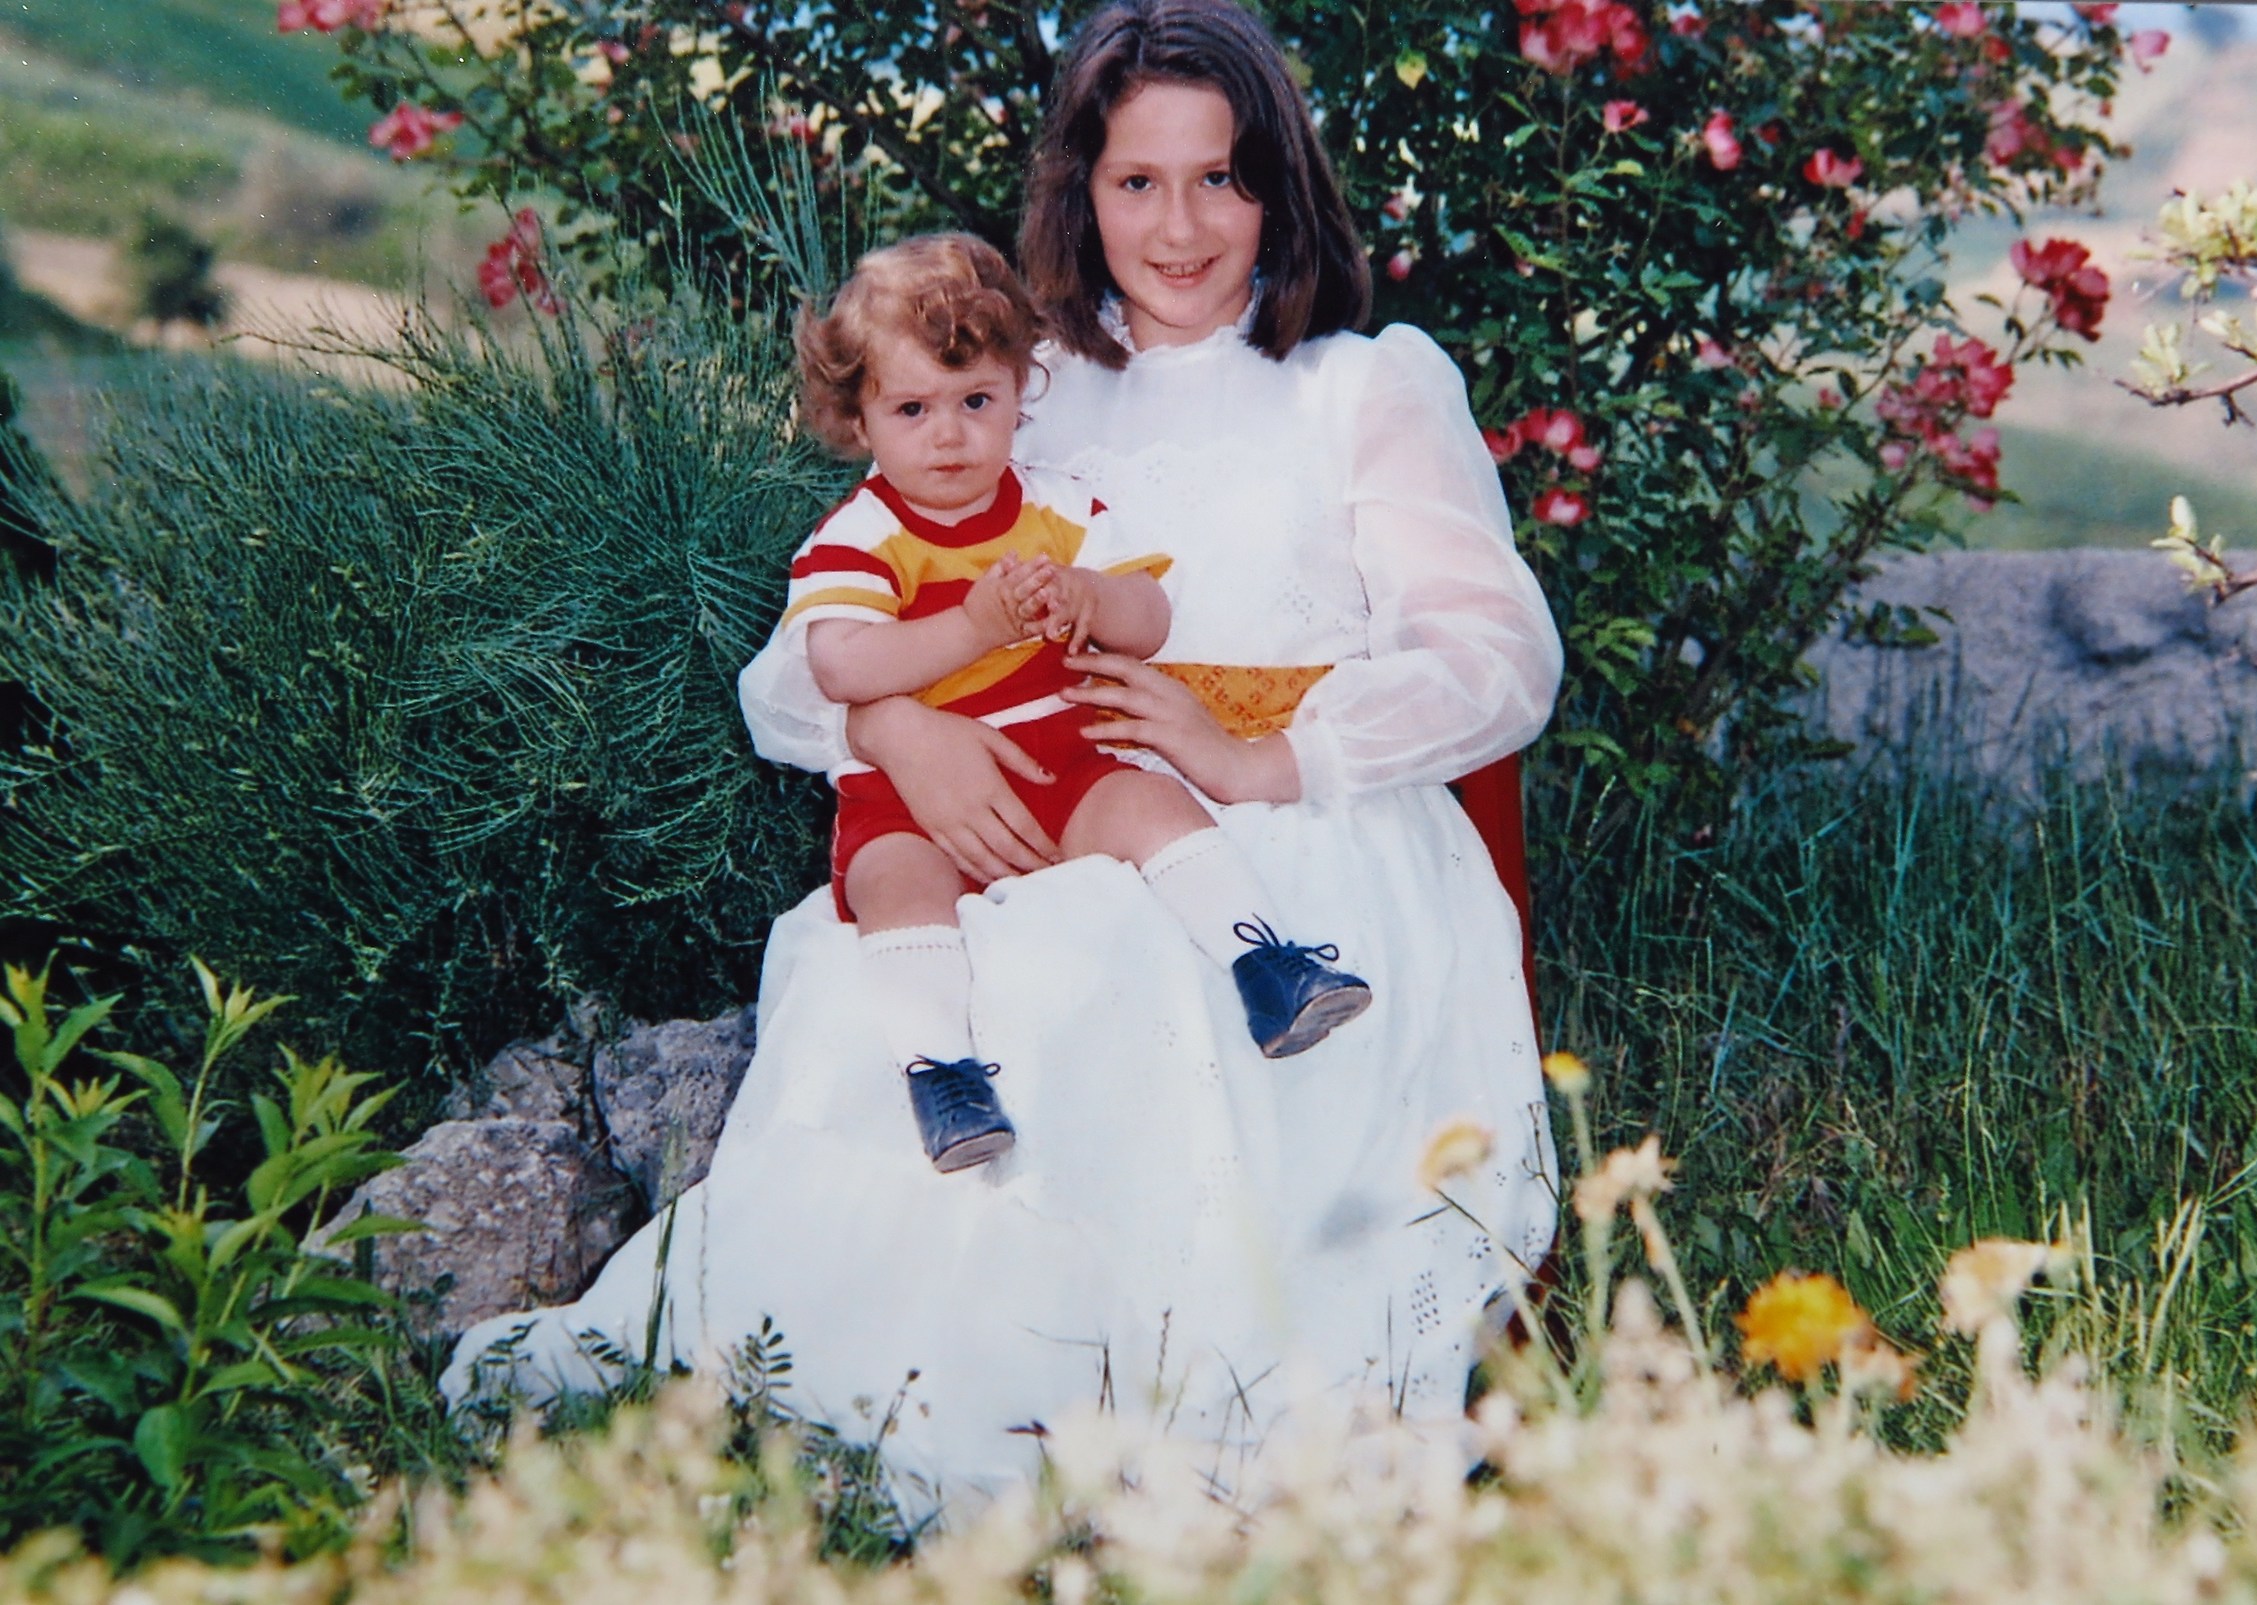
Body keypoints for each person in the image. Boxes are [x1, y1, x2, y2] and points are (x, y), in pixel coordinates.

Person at [444, 0, 1562, 1521]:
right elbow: (806, 651)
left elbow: (1502, 662)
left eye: (1221, 179)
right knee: (897, 979)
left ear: (1280, 190)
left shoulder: (1358, 385)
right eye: (1136, 182)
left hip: (1291, 830)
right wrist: (897, 723)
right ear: (1078, 195)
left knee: (1131, 975)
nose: (1179, 227)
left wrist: (1264, 754)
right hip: (1023, 796)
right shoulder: (1023, 388)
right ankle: (932, 1387)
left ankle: (1155, 1398)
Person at [787, 231, 1371, 1173]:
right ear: (859, 421)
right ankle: (943, 1074)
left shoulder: (1056, 507)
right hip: (912, 801)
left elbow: (1151, 614)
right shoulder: (856, 538)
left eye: (977, 400)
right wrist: (974, 629)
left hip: (1069, 761)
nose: (950, 434)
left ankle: (1268, 964)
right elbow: (843, 665)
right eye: (913, 408)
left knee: (1151, 802)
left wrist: (1094, 600)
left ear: (1022, 393)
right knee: (891, 887)